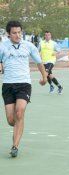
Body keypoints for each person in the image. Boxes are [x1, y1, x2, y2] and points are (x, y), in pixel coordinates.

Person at [0, 21, 47, 157]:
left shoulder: (28, 46)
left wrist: (44, 77)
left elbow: (39, 62)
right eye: (14, 33)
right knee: (11, 119)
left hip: (24, 84)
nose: (17, 35)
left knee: (19, 113)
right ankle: (17, 125)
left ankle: (15, 146)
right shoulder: (2, 47)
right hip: (8, 85)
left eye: (19, 32)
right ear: (8, 34)